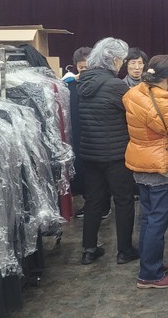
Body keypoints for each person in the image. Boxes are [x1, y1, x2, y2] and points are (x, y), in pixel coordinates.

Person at [123, 55, 168, 289]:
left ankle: (150, 262)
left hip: (140, 162)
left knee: (148, 217)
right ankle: (149, 274)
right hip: (159, 167)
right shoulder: (162, 102)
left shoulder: (136, 93)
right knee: (157, 220)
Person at [77, 37, 138, 265]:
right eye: (122, 60)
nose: (122, 64)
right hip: (115, 154)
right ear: (113, 60)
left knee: (94, 200)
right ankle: (124, 250)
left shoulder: (83, 82)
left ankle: (89, 250)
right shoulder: (115, 85)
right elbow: (132, 114)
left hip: (89, 153)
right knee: (123, 201)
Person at [64, 46, 110, 220]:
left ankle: (104, 206)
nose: (84, 70)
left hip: (99, 135)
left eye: (87, 67)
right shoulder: (70, 85)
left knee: (100, 175)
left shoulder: (103, 83)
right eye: (81, 67)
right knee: (84, 172)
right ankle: (91, 204)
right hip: (79, 134)